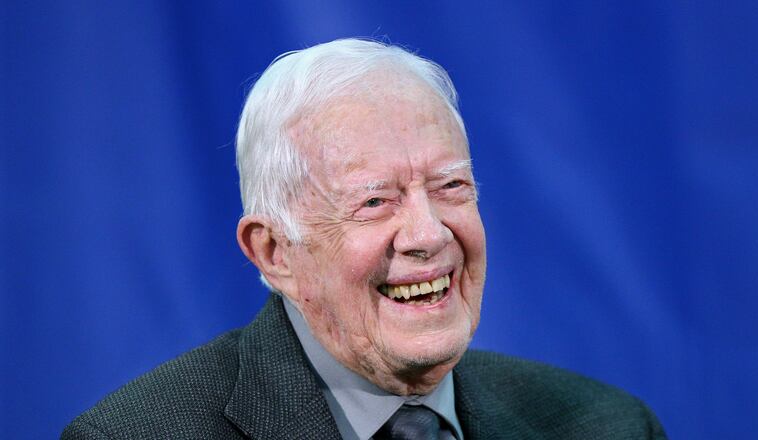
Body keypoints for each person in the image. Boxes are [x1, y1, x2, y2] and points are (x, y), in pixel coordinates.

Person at [62, 38, 667, 439]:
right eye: (375, 201)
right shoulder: (132, 435)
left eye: (451, 186)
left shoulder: (608, 426)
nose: (428, 234)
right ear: (274, 252)